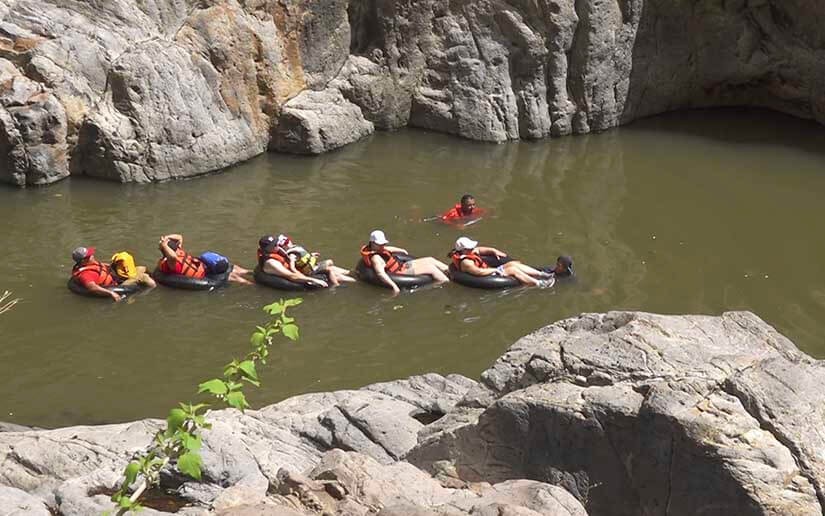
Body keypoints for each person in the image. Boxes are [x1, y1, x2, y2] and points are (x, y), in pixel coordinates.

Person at [361, 230, 450, 294]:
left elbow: (387, 249)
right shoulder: (376, 258)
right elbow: (381, 274)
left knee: (430, 259)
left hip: (402, 266)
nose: (382, 246)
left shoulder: (377, 249)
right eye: (380, 244)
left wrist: (402, 250)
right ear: (372, 243)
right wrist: (394, 287)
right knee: (431, 268)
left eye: (383, 244)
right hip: (400, 272)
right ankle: (447, 282)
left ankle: (450, 271)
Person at [449, 237, 554, 287]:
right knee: (512, 270)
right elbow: (478, 273)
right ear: (464, 250)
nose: (473, 248)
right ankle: (539, 283)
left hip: (487, 270)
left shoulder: (470, 252)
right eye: (470, 247)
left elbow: (481, 249)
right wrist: (494, 269)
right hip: (485, 276)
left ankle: (542, 274)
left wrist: (494, 251)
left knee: (514, 264)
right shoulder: (466, 262)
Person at [158, 234, 252, 284]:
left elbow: (173, 253)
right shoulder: (178, 251)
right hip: (204, 268)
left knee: (232, 276)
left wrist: (164, 244)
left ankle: (252, 285)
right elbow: (179, 237)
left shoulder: (171, 262)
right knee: (235, 270)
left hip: (203, 273)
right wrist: (167, 240)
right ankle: (250, 273)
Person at [278, 234, 356, 287]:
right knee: (329, 270)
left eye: (288, 241)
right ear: (283, 247)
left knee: (330, 261)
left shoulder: (295, 248)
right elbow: (292, 266)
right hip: (310, 271)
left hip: (314, 265)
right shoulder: (292, 254)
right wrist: (296, 273)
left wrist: (311, 255)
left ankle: (349, 273)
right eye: (285, 243)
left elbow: (303, 257)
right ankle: (336, 285)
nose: (288, 243)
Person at [257, 235, 329, 288]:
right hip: (295, 277)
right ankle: (336, 288)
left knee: (331, 269)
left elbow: (291, 259)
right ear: (267, 249)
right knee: (331, 271)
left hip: (299, 270)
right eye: (274, 245)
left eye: (277, 243)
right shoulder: (271, 263)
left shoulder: (275, 251)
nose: (277, 246)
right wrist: (314, 280)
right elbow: (291, 276)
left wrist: (310, 256)